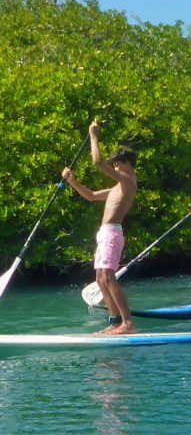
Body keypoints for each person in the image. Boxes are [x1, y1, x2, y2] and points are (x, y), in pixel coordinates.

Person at [61, 120, 138, 335]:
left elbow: (98, 162)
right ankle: (115, 322)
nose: (115, 168)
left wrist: (93, 135)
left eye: (118, 164)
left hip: (112, 233)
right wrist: (72, 181)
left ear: (129, 165)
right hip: (104, 234)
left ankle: (128, 323)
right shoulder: (117, 187)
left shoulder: (129, 182)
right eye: (114, 165)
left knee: (109, 277)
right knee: (100, 279)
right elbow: (91, 196)